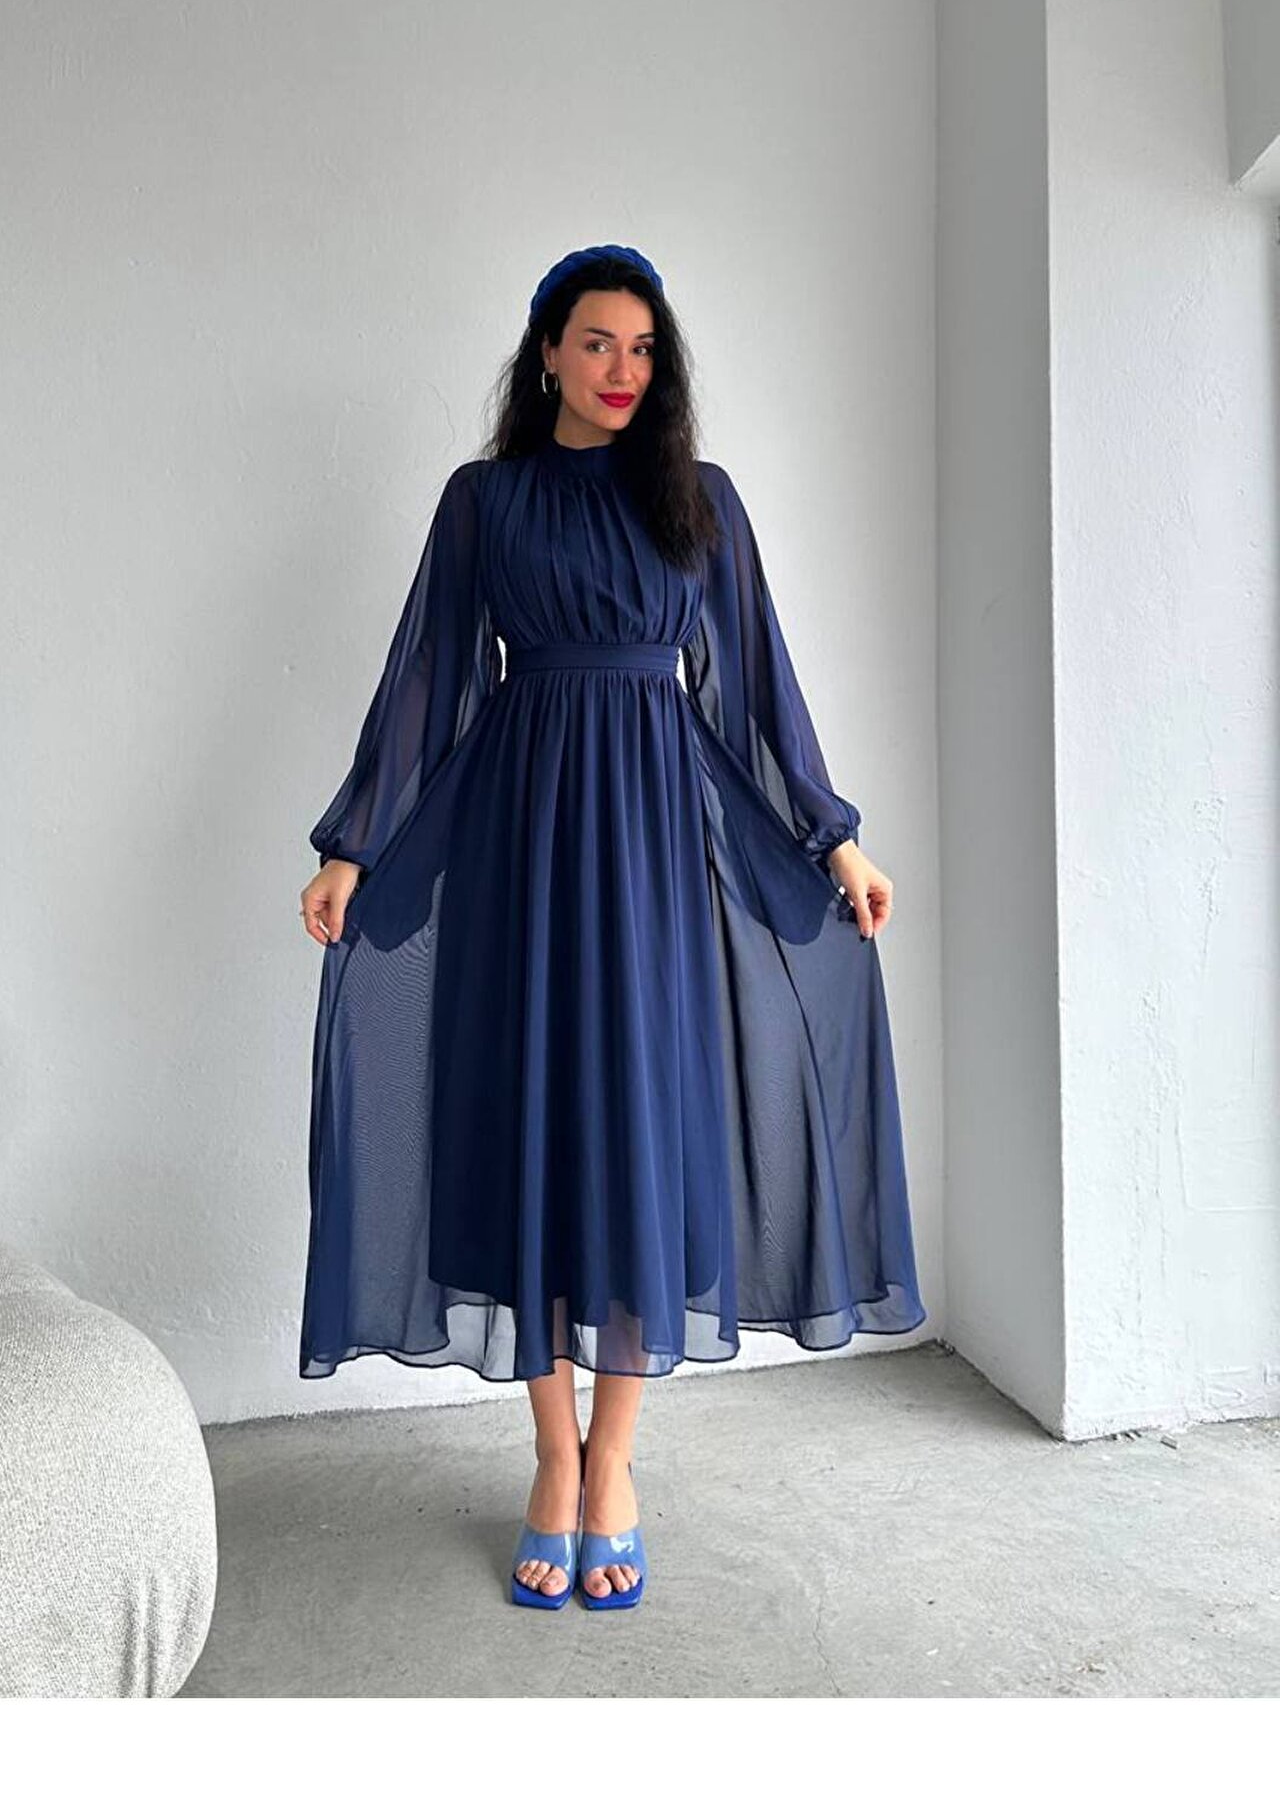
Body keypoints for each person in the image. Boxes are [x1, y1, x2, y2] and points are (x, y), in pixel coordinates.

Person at [298, 245, 926, 1611]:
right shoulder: (485, 503)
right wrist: (356, 846)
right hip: (520, 841)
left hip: (651, 849)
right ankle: (552, 1457)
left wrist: (833, 834)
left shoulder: (702, 501)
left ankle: (616, 1463)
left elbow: (757, 687)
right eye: (596, 343)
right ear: (547, 354)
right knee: (527, 1124)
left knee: (642, 1126)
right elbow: (424, 684)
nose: (621, 369)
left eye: (643, 348)